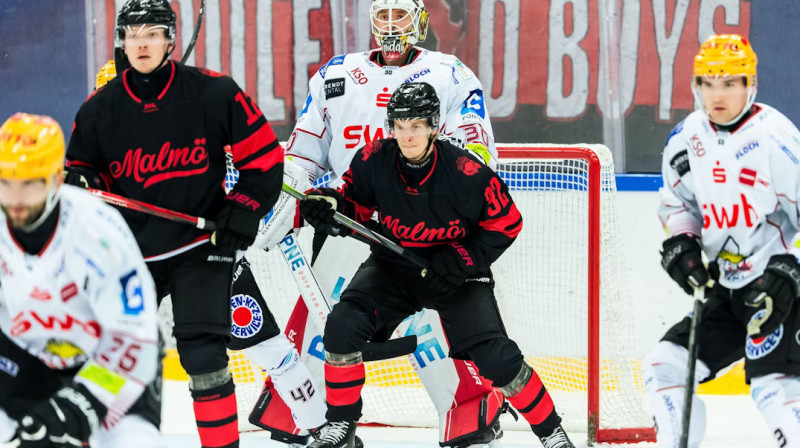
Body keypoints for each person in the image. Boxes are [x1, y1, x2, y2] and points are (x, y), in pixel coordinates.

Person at [230, 1, 505, 446]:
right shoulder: (335, 74)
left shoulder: (450, 73)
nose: (391, 25)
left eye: (401, 14)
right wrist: (283, 194)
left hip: (422, 225)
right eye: (383, 15)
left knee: (435, 323)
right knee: (331, 325)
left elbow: (474, 154)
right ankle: (312, 413)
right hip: (346, 216)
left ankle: (469, 407)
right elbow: (303, 153)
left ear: (419, 19)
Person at [294, 82, 574, 448]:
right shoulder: (373, 158)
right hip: (394, 265)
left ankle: (553, 432)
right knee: (341, 328)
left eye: (416, 126)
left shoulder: (466, 173)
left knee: (497, 359)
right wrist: (328, 206)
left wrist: (461, 259)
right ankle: (341, 427)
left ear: (434, 127)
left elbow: (507, 222)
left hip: (457, 274)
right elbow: (353, 205)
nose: (406, 135)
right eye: (399, 125)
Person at [64, 1, 283, 447]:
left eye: (152, 33)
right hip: (129, 255)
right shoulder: (98, 110)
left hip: (200, 246)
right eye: (133, 34)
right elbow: (81, 175)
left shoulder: (214, 93)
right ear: (122, 42)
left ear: (170, 40)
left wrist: (243, 206)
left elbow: (264, 160)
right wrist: (82, 183)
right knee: (110, 355)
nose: (142, 43)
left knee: (203, 354)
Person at [645, 33, 800, 447]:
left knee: (772, 384)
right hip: (727, 288)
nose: (718, 94)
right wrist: (683, 243)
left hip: (779, 288)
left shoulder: (776, 137)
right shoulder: (684, 139)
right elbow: (679, 203)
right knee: (665, 367)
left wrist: (791, 266)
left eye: (730, 83)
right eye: (708, 83)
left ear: (751, 85)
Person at [0, 113, 160, 447]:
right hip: (27, 359)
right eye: (6, 183)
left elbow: (136, 338)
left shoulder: (99, 232)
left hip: (107, 358)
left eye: (29, 184)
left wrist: (78, 407)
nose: (15, 200)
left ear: (56, 180)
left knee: (135, 442)